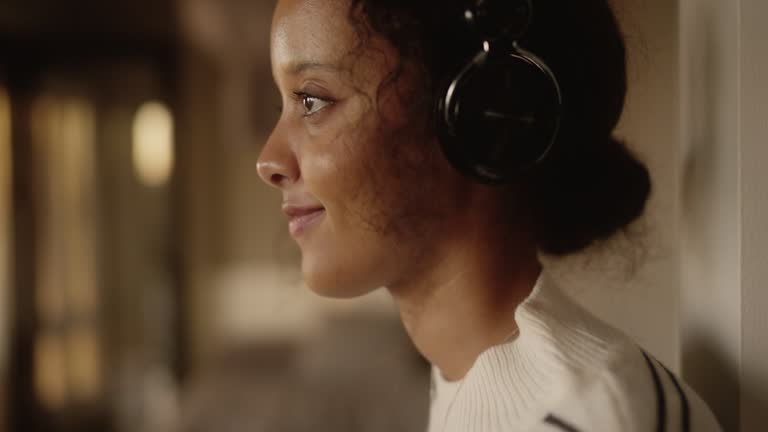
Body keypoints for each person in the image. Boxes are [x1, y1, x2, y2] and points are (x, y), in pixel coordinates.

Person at [256, 0, 722, 430]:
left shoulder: (591, 414)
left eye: (312, 101)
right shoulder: (470, 386)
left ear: (482, 113)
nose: (268, 161)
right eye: (285, 104)